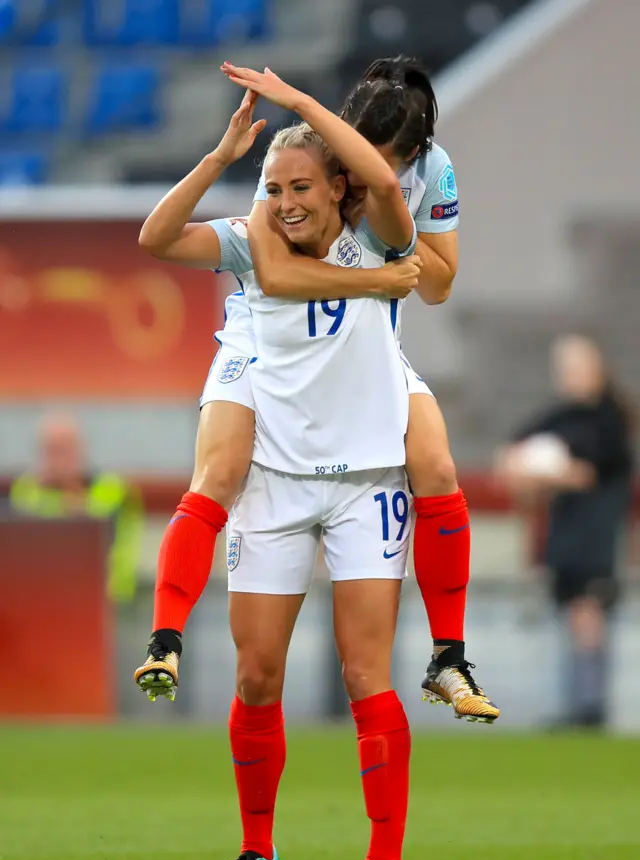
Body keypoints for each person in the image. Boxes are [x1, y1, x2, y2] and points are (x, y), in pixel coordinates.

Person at [136, 55, 499, 723]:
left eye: (371, 165)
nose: (356, 178)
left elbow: (439, 282)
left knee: (438, 463)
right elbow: (269, 272)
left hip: (361, 345)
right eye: (349, 164)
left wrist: (398, 262)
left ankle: (449, 653)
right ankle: (165, 636)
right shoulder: (298, 169)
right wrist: (378, 276)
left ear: (408, 156)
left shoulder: (421, 179)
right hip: (263, 344)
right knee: (219, 470)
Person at [138, 81, 421, 860]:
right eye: (274, 190)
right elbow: (155, 237)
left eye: (302, 186)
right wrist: (222, 158)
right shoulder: (248, 243)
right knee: (258, 675)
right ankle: (257, 854)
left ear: (338, 186)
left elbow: (382, 179)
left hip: (365, 482)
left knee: (366, 671)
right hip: (276, 483)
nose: (286, 203)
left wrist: (299, 101)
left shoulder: (379, 234)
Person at [496, 335, 634, 728]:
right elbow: (512, 454)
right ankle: (578, 702)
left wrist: (544, 473)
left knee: (587, 611)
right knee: (571, 611)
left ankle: (590, 705)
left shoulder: (609, 420)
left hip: (596, 533)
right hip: (565, 533)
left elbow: (586, 474)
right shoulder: (558, 418)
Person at [10, 414, 143, 603]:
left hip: (106, 597)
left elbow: (110, 540)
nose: (57, 459)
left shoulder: (114, 488)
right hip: (42, 597)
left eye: (63, 450)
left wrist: (75, 502)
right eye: (50, 451)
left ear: (81, 449)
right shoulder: (26, 489)